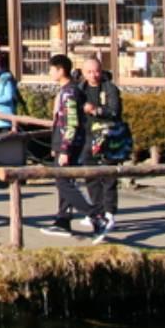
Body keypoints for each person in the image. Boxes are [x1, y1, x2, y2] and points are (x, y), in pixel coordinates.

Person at [43, 54, 102, 240]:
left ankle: (95, 214)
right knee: (65, 182)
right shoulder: (67, 90)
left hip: (70, 144)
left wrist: (65, 149)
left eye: (51, 69)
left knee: (63, 182)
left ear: (61, 70)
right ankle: (63, 220)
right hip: (64, 142)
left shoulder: (69, 92)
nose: (50, 73)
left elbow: (71, 122)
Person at [79, 56, 130, 235]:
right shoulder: (80, 89)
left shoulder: (110, 88)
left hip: (109, 136)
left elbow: (115, 111)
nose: (93, 75)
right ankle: (97, 210)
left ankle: (109, 212)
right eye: (89, 72)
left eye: (96, 71)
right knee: (90, 175)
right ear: (83, 73)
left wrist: (95, 110)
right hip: (87, 137)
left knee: (109, 176)